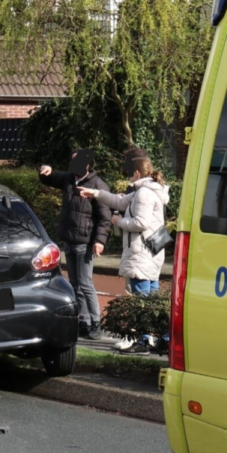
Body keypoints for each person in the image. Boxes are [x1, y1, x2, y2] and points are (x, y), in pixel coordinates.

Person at [79, 148, 170, 353]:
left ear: (137, 173)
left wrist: (119, 221)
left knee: (141, 298)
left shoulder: (144, 193)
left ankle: (143, 341)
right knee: (151, 298)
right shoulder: (147, 189)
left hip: (141, 251)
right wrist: (95, 193)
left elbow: (140, 222)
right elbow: (119, 201)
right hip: (152, 249)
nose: (128, 176)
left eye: (130, 172)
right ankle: (161, 339)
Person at [39, 149, 112, 340]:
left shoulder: (97, 185)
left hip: (85, 242)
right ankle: (85, 321)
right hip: (69, 241)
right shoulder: (68, 179)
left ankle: (96, 322)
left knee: (86, 283)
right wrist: (45, 169)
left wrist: (99, 241)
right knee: (74, 284)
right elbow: (49, 178)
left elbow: (105, 217)